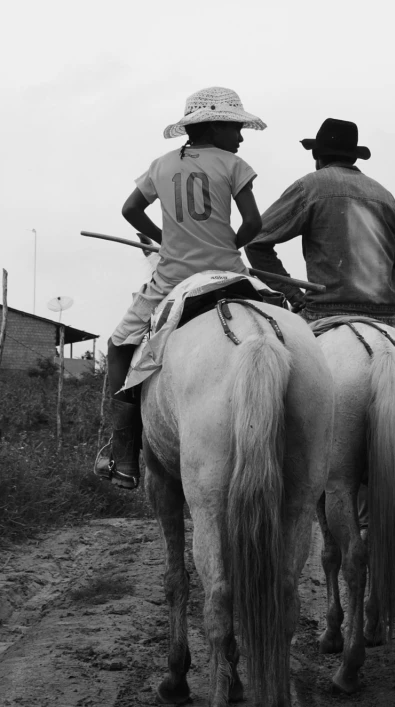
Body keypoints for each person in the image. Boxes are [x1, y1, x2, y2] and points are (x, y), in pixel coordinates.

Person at [95, 86, 266, 490]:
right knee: (281, 319)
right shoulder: (234, 164)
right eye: (236, 127)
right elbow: (255, 224)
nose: (241, 135)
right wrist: (228, 245)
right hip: (230, 274)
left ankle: (123, 454)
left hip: (172, 278)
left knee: (118, 345)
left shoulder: (162, 164)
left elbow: (129, 210)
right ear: (214, 126)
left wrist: (164, 240)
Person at [245, 118, 395, 326]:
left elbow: (255, 240)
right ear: (353, 157)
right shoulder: (385, 196)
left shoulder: (310, 186)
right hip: (387, 315)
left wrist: (293, 294)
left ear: (317, 156)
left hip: (325, 311)